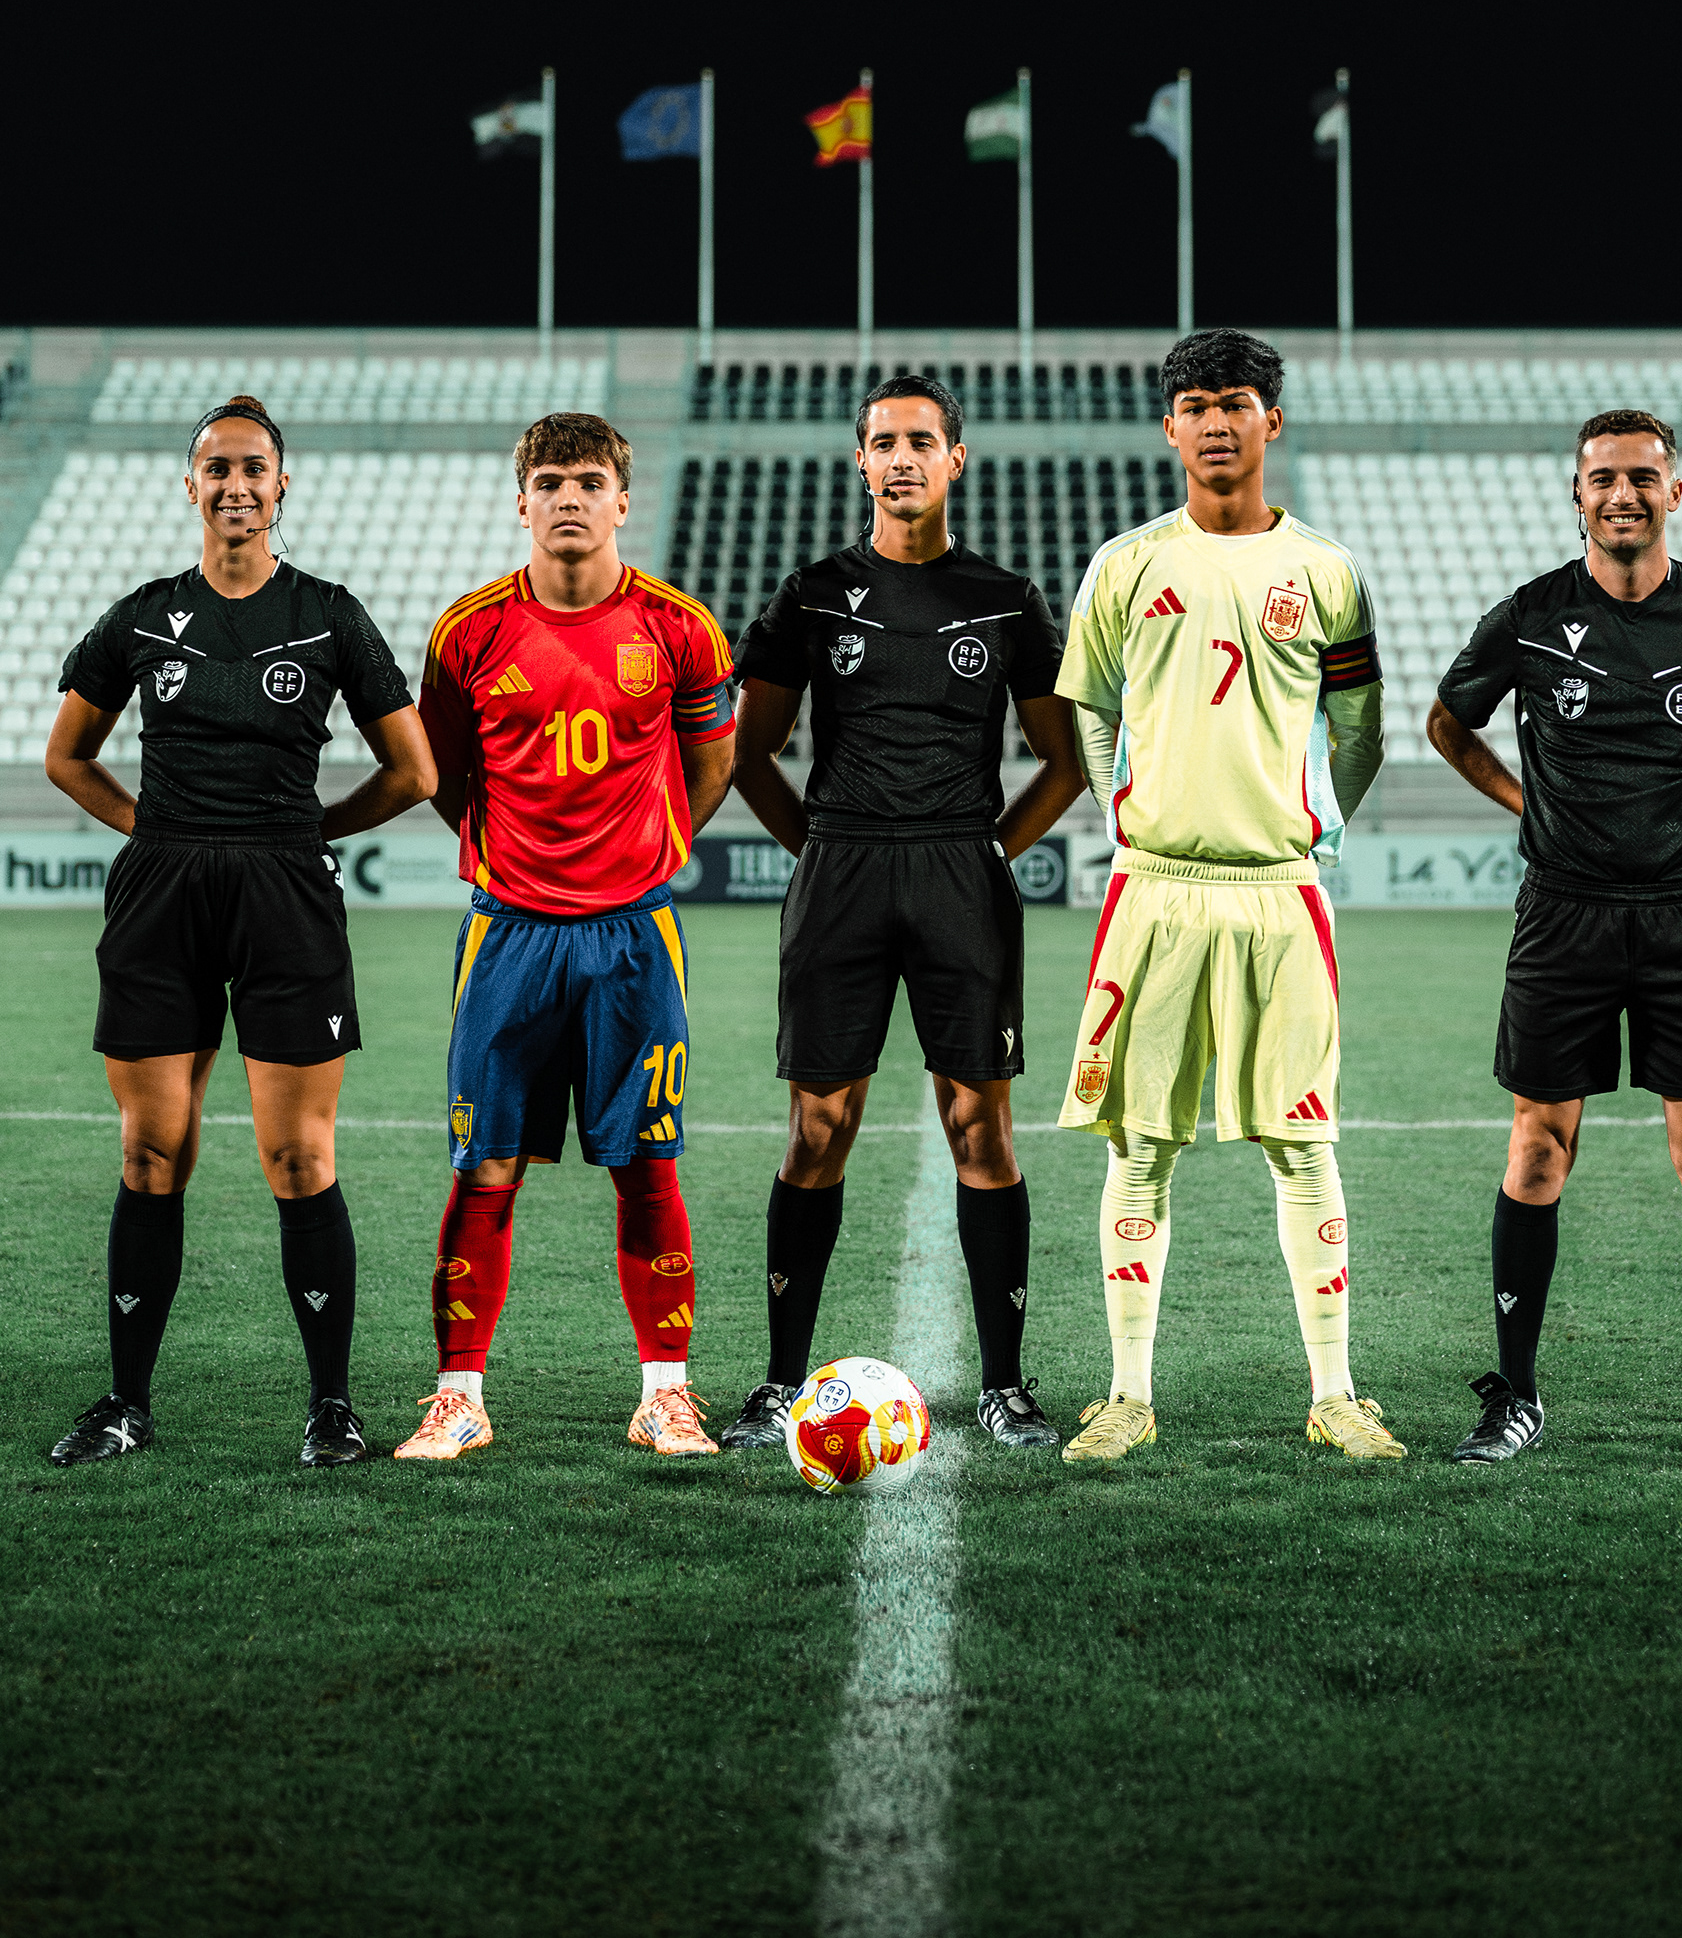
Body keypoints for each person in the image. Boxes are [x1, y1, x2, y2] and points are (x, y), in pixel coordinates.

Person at [46, 397, 435, 1469]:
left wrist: (310, 831)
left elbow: (414, 771)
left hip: (284, 895)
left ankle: (331, 1408)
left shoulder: (329, 614)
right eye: (216, 468)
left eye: (253, 467)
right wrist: (151, 828)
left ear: (281, 484)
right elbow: (67, 755)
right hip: (162, 894)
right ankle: (126, 1403)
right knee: (151, 1149)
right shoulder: (142, 616)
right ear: (191, 487)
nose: (235, 485)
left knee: (298, 1156)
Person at [1428, 409, 1682, 1466]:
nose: (1622, 494)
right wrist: (1529, 805)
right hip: (1564, 914)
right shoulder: (1530, 617)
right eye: (1603, 478)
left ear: (1673, 492)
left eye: (1642, 477)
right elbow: (1448, 724)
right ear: (1578, 492)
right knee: (1537, 1149)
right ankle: (1516, 1397)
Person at [1054, 328, 1398, 1466]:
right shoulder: (1125, 565)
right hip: (1155, 888)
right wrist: (1129, 811)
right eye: (1196, 404)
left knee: (1303, 1146)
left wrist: (1312, 825)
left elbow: (1359, 729)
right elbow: (1089, 710)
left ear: (1271, 421)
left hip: (1279, 893)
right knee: (1140, 1144)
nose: (1215, 422)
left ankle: (1337, 1394)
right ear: (1170, 427)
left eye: (1236, 402)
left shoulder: (1328, 571)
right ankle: (1127, 1396)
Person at [722, 375, 1083, 1453]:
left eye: (921, 441)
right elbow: (750, 753)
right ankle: (782, 1382)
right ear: (860, 461)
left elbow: (1064, 761)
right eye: (883, 442)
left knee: (982, 1126)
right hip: (842, 872)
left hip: (960, 875)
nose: (902, 458)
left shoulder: (1006, 598)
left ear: (955, 459)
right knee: (817, 1128)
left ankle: (1006, 1386)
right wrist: (821, 850)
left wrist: (987, 853)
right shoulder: (813, 594)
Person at [394, 412, 736, 1464]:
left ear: (622, 500)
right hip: (509, 937)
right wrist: (515, 856)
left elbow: (712, 764)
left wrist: (651, 848)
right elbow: (443, 775)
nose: (570, 499)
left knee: (647, 1168)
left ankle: (666, 1397)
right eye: (550, 482)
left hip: (634, 935)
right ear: (523, 502)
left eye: (589, 481)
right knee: (486, 1168)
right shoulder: (467, 632)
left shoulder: (680, 628)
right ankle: (458, 1398)